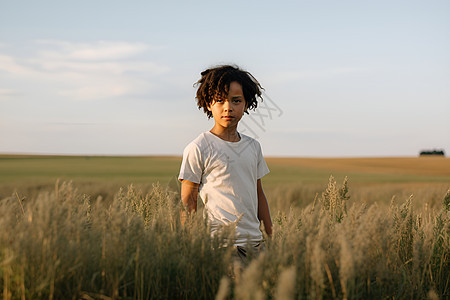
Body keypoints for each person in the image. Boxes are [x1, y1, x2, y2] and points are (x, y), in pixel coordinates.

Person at [178, 64, 272, 264]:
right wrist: (189, 245)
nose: (228, 107)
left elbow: (258, 194)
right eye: (220, 100)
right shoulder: (199, 147)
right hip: (223, 246)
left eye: (236, 101)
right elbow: (188, 201)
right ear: (208, 103)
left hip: (256, 244)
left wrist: (270, 238)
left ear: (246, 104)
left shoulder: (253, 147)